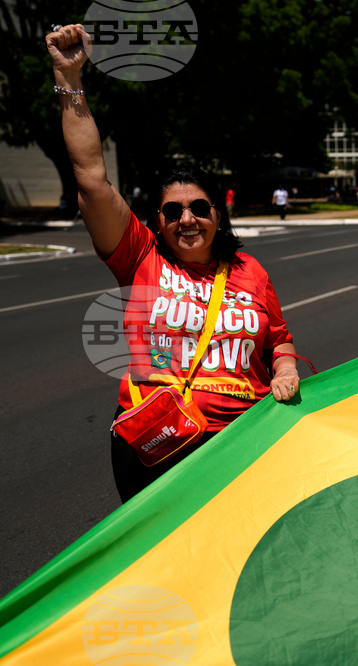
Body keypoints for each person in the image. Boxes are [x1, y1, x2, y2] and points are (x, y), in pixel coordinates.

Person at [47, 25, 304, 502]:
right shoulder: (139, 257)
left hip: (245, 438)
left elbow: (279, 342)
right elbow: (91, 178)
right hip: (159, 441)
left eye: (199, 208)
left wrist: (286, 371)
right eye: (172, 211)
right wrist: (70, 80)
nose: (187, 219)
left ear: (218, 215)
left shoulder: (251, 271)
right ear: (158, 222)